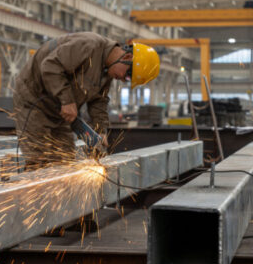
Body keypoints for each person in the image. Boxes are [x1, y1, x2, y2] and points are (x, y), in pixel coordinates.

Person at [13, 31, 160, 170]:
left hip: (58, 108)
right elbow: (50, 66)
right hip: (34, 100)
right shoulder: (89, 46)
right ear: (127, 58)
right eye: (127, 76)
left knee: (65, 159)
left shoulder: (107, 71)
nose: (122, 79)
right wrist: (67, 101)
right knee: (39, 159)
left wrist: (100, 131)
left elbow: (99, 101)